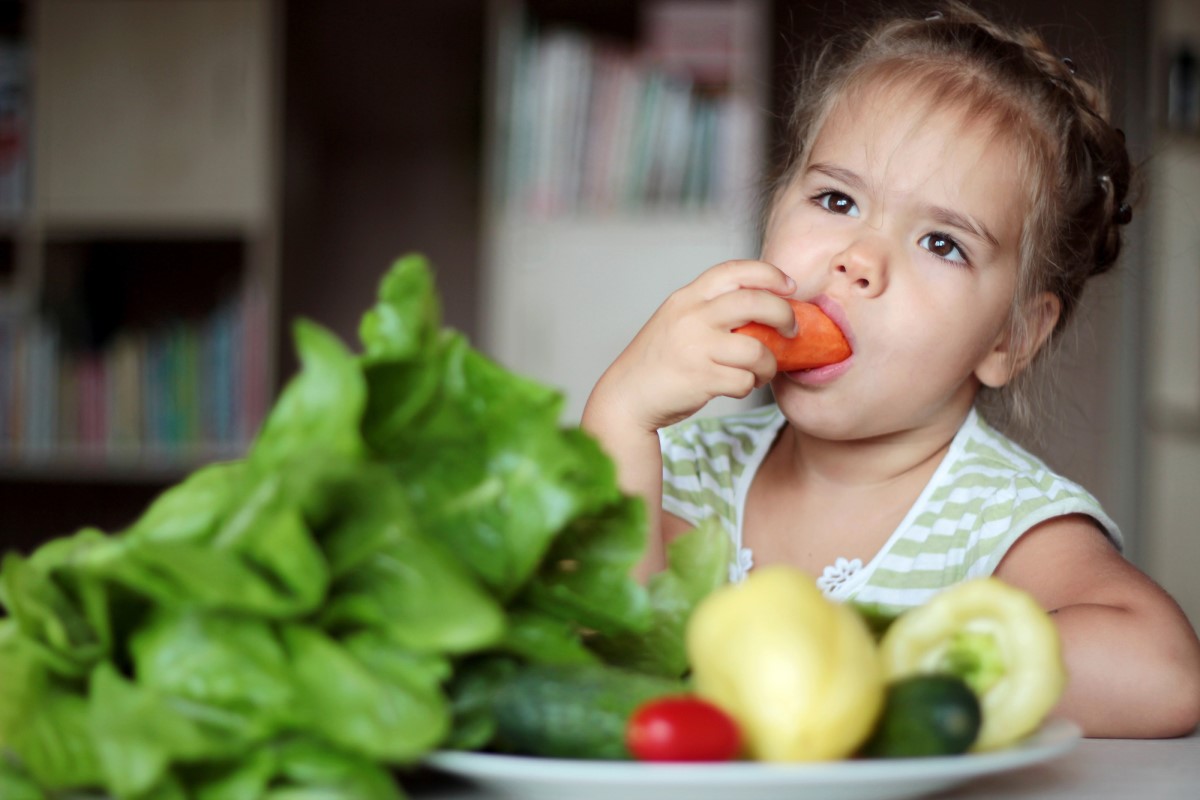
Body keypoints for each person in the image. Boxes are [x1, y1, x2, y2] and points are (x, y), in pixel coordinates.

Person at [582, 1, 1200, 739]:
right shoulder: (685, 472)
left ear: (1011, 338)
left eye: (942, 243)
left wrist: (860, 666)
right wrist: (619, 417)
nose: (859, 261)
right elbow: (606, 657)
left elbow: (1164, 676)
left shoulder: (996, 520)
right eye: (836, 199)